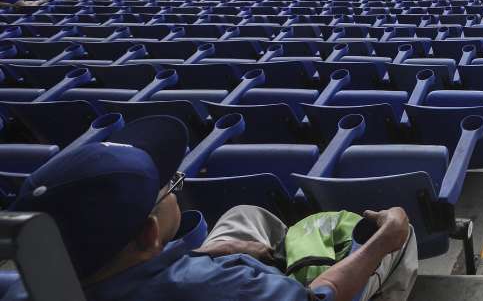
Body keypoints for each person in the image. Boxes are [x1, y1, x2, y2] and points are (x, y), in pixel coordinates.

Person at [1, 115, 416, 301]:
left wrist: (203, 250)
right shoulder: (222, 287)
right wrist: (382, 241)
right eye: (168, 187)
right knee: (399, 232)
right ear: (149, 234)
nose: (175, 188)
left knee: (243, 213)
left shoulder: (19, 281)